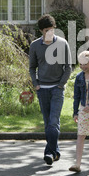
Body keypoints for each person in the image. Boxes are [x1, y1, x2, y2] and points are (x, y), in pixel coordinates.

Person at [29, 14, 72, 165]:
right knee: (48, 124)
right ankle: (55, 152)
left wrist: (61, 84)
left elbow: (68, 67)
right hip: (42, 89)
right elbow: (32, 67)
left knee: (53, 122)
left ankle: (48, 152)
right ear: (41, 31)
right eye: (46, 30)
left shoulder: (62, 43)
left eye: (52, 29)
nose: (50, 32)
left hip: (57, 89)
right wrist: (36, 84)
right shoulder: (35, 45)